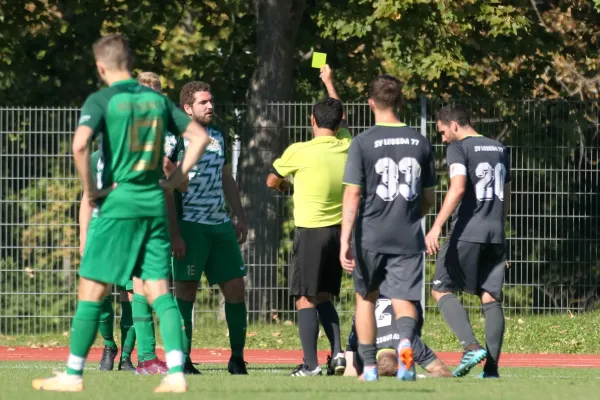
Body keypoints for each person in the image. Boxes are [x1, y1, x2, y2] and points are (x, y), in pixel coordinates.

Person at [32, 34, 211, 393]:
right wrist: (175, 178)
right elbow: (200, 138)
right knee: (161, 290)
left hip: (119, 204)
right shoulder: (157, 100)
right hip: (154, 204)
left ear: (101, 67)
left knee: (93, 288)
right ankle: (176, 373)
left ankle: (73, 374)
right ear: (130, 61)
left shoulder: (103, 99)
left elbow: (81, 144)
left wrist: (92, 189)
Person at [340, 74, 437, 382]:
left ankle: (368, 368)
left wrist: (345, 240)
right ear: (401, 102)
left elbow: (352, 194)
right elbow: (429, 198)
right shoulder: (420, 141)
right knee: (404, 300)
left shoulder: (362, 142)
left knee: (366, 298)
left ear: (371, 103)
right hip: (408, 234)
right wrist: (410, 216)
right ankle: (405, 349)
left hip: (371, 234)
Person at [266, 65, 349, 377]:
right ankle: (338, 354)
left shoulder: (299, 151)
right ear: (340, 123)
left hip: (311, 233)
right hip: (338, 233)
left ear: (312, 121)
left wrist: (290, 185)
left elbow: (271, 181)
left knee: (304, 297)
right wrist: (329, 81)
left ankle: (311, 364)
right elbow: (341, 116)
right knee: (324, 295)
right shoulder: (346, 145)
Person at [166, 80, 249, 375]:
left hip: (220, 226)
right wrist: (175, 233)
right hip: (190, 227)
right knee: (186, 293)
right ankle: (183, 360)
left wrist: (239, 214)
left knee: (236, 290)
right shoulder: (175, 136)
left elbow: (227, 177)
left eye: (211, 101)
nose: (210, 106)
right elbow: (166, 183)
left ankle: (237, 359)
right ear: (187, 108)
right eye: (203, 102)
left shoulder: (218, 135)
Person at [425, 105, 511, 379]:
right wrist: (499, 228)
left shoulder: (459, 148)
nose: (442, 139)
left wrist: (436, 227)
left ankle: (471, 346)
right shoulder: (499, 147)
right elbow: (506, 194)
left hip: (468, 230)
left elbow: (458, 187)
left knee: (440, 289)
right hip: (495, 231)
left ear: (453, 125)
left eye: (442, 132)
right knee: (490, 296)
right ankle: (492, 370)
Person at [78, 150, 137, 373]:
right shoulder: (94, 159)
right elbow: (88, 197)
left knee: (132, 295)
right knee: (98, 293)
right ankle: (109, 346)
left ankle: (127, 356)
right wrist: (83, 236)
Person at [343, 296, 452, 378]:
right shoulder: (408, 341)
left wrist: (418, 376)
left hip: (394, 296)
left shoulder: (409, 342)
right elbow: (444, 372)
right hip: (389, 294)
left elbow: (350, 372)